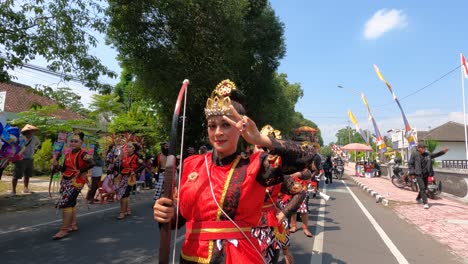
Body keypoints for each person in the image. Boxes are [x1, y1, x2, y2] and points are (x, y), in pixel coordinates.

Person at [153, 79, 312, 263]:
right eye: (212, 126)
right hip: (190, 257)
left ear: (240, 128)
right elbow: (177, 221)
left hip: (239, 257)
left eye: (226, 125)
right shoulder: (191, 165)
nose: (218, 132)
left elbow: (308, 156)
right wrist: (166, 213)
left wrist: (260, 139)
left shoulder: (256, 165)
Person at [52, 132, 95, 240]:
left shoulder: (83, 154)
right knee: (71, 203)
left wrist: (81, 171)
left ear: (81, 143)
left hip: (77, 181)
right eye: (71, 141)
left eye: (76, 141)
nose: (73, 143)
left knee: (66, 203)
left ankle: (64, 230)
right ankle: (72, 224)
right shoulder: (67, 154)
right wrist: (57, 166)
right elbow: (64, 170)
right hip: (66, 181)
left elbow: (92, 163)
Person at [289, 144, 320, 238]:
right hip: (292, 186)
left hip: (303, 187)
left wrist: (312, 182)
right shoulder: (294, 160)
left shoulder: (309, 163)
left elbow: (314, 171)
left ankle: (305, 228)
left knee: (304, 210)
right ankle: (293, 226)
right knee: (292, 208)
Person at [408, 142, 448, 209]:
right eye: (423, 148)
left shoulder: (427, 154)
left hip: (426, 174)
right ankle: (425, 203)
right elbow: (410, 164)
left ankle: (418, 198)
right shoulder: (414, 154)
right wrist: (412, 173)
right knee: (423, 188)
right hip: (418, 174)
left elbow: (436, 155)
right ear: (418, 148)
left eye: (425, 148)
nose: (424, 149)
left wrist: (443, 152)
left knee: (424, 188)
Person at [115, 142, 145, 219]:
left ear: (133, 149)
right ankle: (125, 210)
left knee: (124, 194)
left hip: (130, 178)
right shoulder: (124, 157)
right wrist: (119, 173)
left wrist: (134, 172)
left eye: (129, 147)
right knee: (121, 194)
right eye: (127, 147)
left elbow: (143, 165)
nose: (127, 148)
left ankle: (122, 212)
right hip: (122, 177)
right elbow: (121, 167)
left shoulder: (136, 157)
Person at [11, 124, 40, 195]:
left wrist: (33, 149)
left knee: (27, 175)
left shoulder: (35, 138)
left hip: (30, 158)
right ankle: (13, 190)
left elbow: (38, 144)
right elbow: (14, 146)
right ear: (25, 131)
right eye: (29, 131)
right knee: (16, 175)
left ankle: (25, 188)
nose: (30, 132)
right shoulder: (20, 138)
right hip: (20, 158)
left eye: (32, 131)